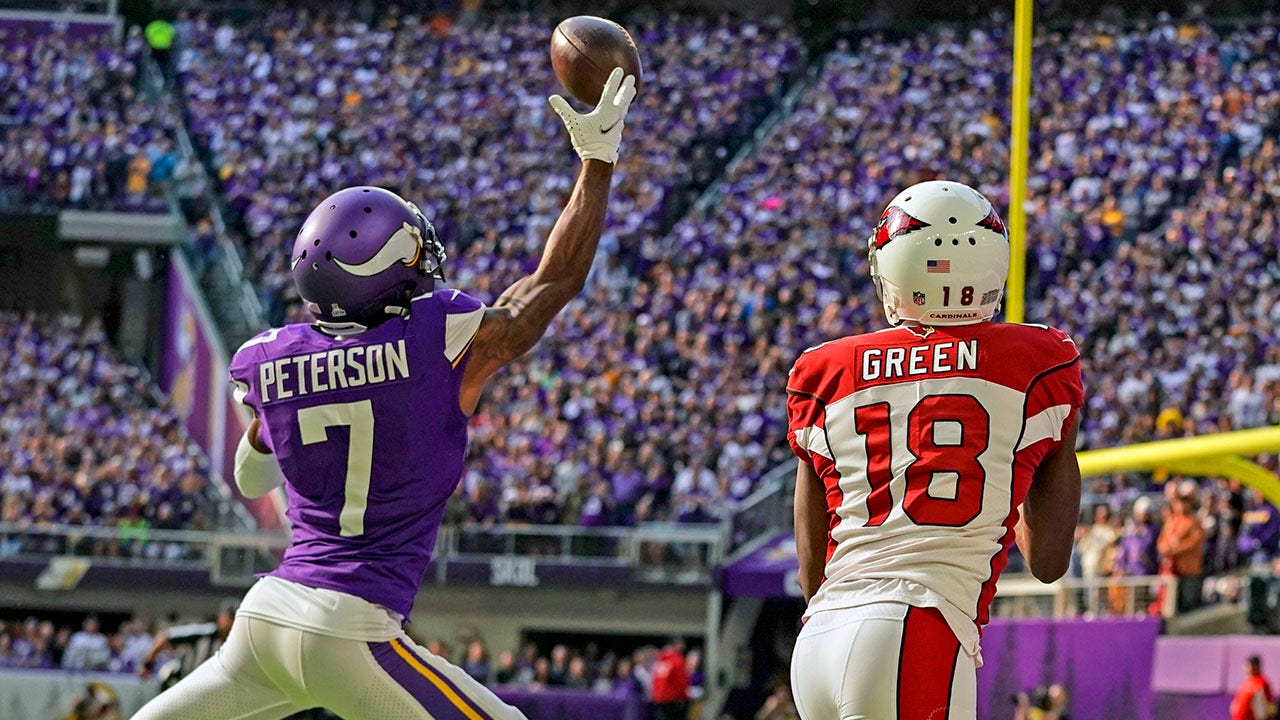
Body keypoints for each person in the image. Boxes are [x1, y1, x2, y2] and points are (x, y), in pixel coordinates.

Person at [131, 67, 637, 720]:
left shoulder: (265, 359)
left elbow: (253, 480)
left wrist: (277, 420)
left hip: (264, 620)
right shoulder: (436, 335)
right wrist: (596, 163)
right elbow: (549, 285)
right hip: (352, 626)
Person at [787, 181, 1084, 720]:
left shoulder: (822, 369)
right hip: (919, 625)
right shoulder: (1041, 359)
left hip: (819, 640)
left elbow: (812, 575)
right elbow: (1047, 560)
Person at [651, 638, 690, 720]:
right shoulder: (677, 659)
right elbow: (681, 681)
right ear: (675, 645)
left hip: (660, 698)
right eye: (681, 644)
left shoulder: (661, 658)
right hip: (673, 698)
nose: (683, 646)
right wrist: (685, 696)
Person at [1231, 655, 1275, 720]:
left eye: (1248, 665)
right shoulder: (1247, 681)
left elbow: (1269, 704)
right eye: (1246, 666)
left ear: (1256, 666)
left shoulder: (1262, 683)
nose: (1246, 668)